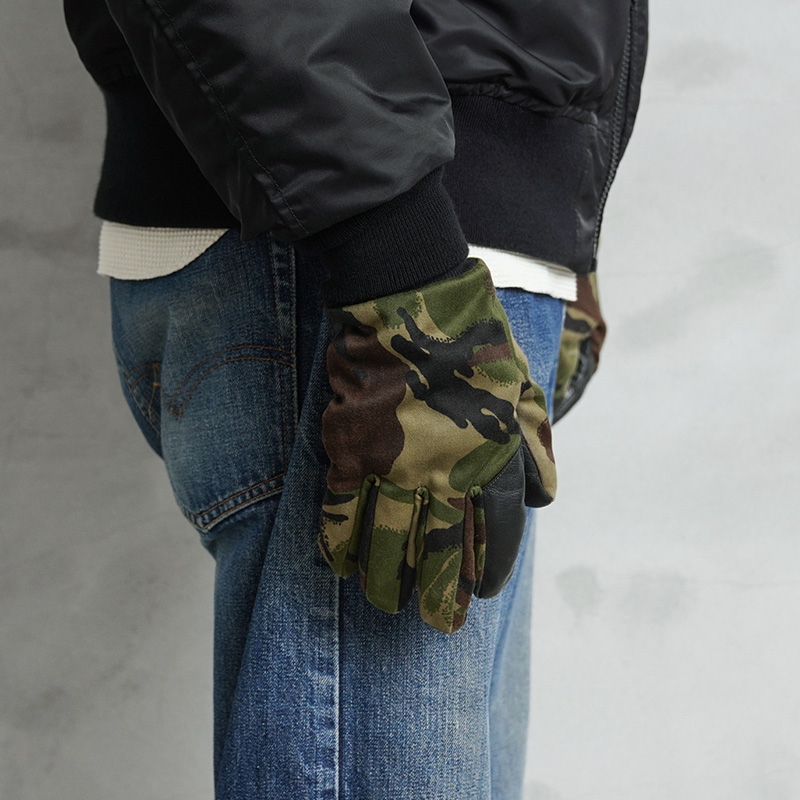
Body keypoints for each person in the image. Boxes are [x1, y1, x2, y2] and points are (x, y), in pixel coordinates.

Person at [63, 0, 648, 796]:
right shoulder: (395, 261)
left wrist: (559, 233)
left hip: (427, 248)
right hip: (366, 253)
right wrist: (395, 249)